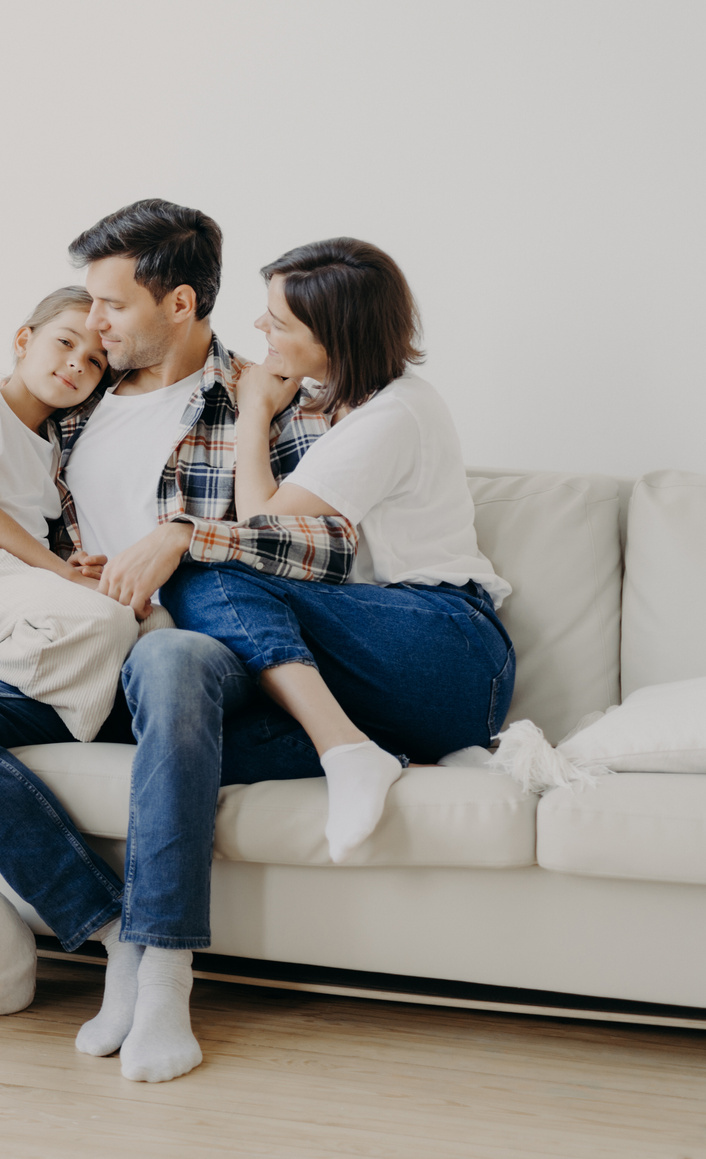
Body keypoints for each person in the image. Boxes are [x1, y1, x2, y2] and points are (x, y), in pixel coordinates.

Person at [0, 199, 354, 1083]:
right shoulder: (76, 397)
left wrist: (179, 534)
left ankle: (166, 970)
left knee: (167, 656)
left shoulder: (268, 397)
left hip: (193, 656)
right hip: (72, 653)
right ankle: (109, 935)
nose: (90, 326)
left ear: (178, 305)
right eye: (85, 308)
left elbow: (324, 547)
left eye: (110, 306)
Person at [159, 239, 515, 862]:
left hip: (450, 641)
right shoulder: (353, 409)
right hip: (411, 679)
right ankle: (402, 746)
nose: (259, 326)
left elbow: (259, 525)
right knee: (184, 737)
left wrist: (252, 412)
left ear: (333, 340)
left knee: (202, 569)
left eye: (280, 321)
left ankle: (345, 751)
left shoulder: (393, 413)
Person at [0, 286, 156, 742]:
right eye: (65, 342)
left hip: (29, 580)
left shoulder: (53, 448)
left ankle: (63, 706)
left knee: (154, 622)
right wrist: (64, 576)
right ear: (24, 341)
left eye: (95, 362)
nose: (76, 364)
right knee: (105, 621)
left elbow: (40, 532)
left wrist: (80, 567)